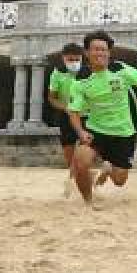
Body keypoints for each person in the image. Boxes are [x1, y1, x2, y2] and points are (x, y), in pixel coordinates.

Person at [66, 31, 137, 205]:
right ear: (87, 53)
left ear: (109, 53)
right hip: (95, 130)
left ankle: (108, 168)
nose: (100, 53)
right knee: (81, 162)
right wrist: (81, 131)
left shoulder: (120, 69)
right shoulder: (80, 80)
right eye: (96, 49)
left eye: (104, 50)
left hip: (123, 133)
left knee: (120, 181)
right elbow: (73, 111)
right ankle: (88, 203)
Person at [48, 43, 86, 195]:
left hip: (86, 116)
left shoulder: (88, 71)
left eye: (77, 59)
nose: (74, 63)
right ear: (64, 58)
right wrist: (65, 108)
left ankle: (73, 182)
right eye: (71, 60)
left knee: (84, 153)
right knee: (70, 155)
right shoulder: (57, 73)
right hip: (66, 115)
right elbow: (52, 98)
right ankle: (75, 178)